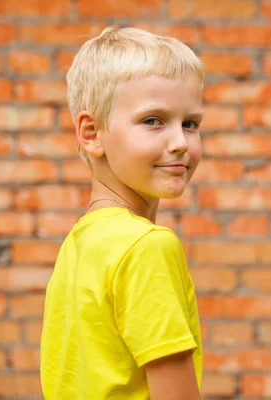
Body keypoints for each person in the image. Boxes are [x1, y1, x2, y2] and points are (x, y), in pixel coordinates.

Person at [40, 26, 204, 399]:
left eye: (190, 123)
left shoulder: (81, 242)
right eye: (153, 121)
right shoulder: (147, 246)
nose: (180, 142)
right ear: (92, 132)